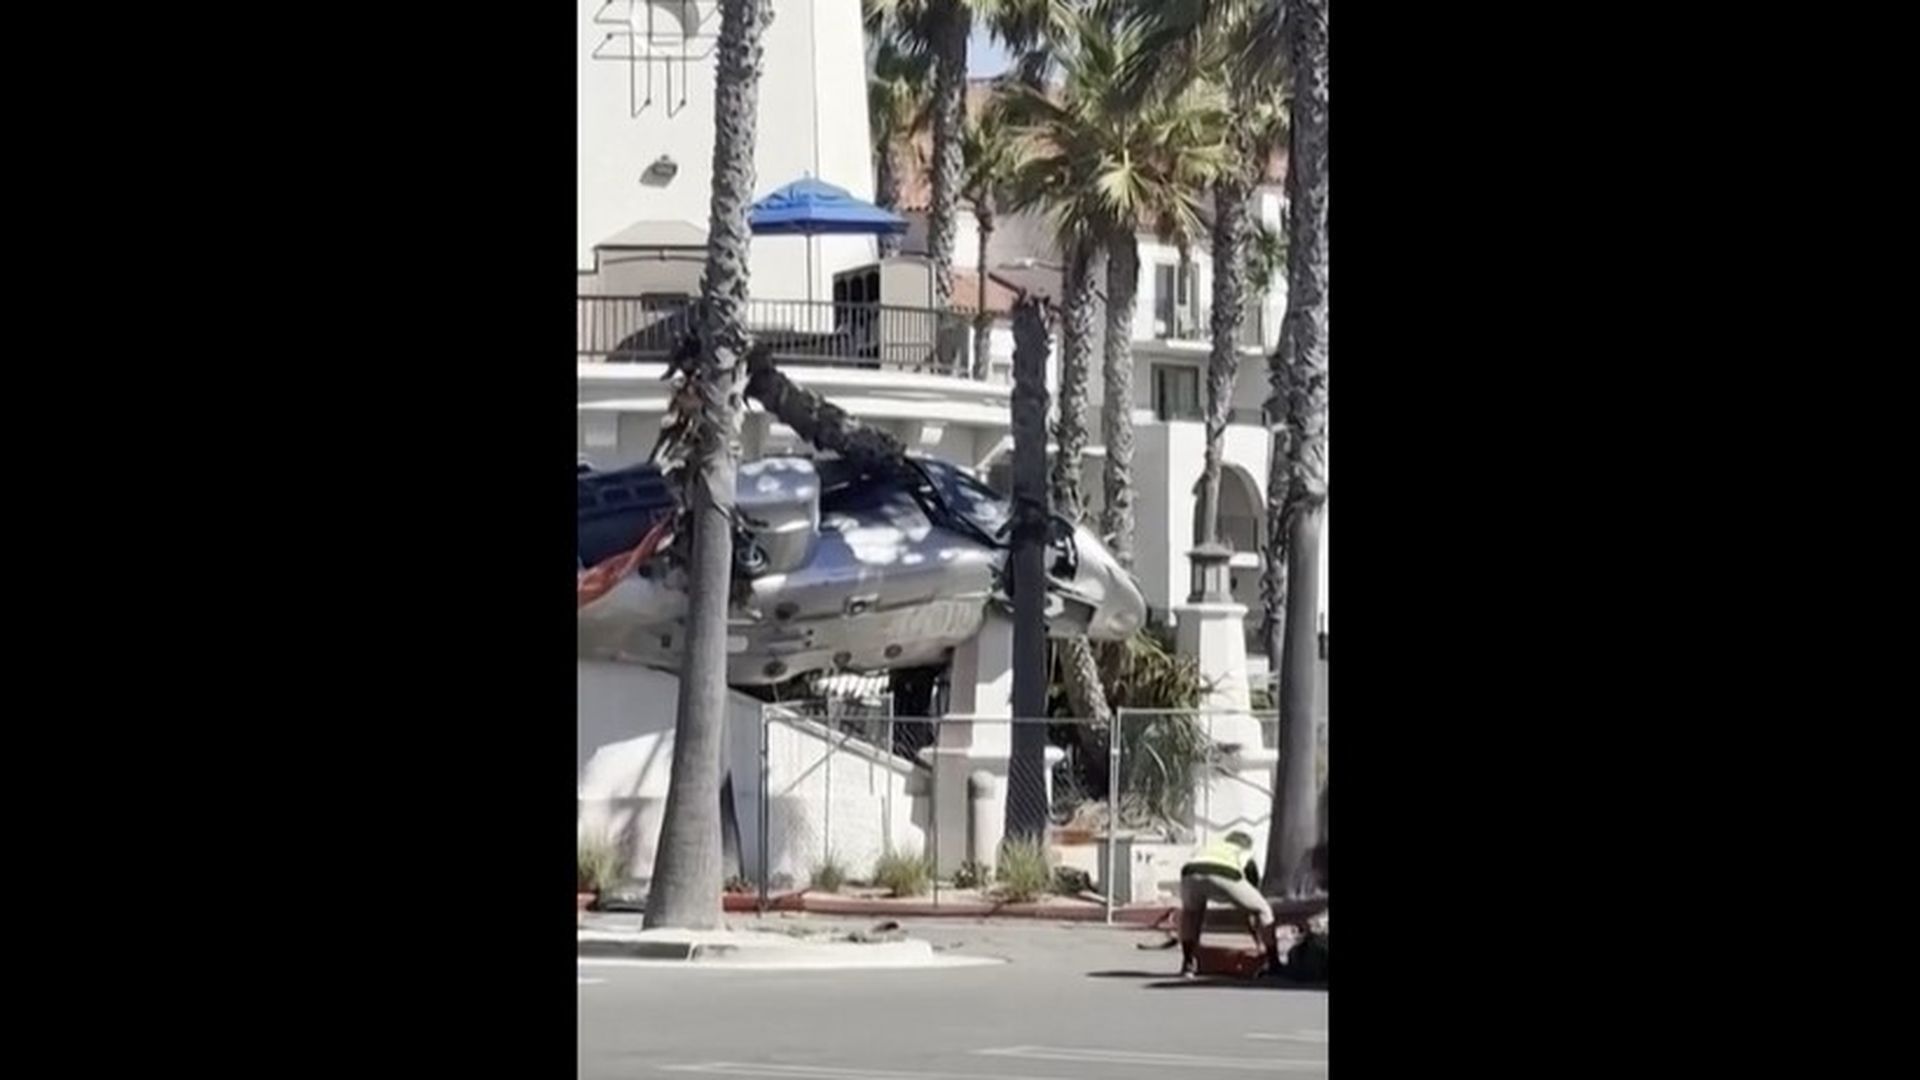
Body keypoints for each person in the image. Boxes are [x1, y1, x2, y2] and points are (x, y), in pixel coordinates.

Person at [1177, 831, 1282, 978]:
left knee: (1191, 913)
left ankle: (1188, 963)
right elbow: (1252, 898)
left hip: (1190, 871)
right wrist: (1257, 937)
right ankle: (1274, 963)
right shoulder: (1246, 852)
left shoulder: (1210, 846)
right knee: (1263, 909)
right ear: (1246, 844)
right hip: (1225, 873)